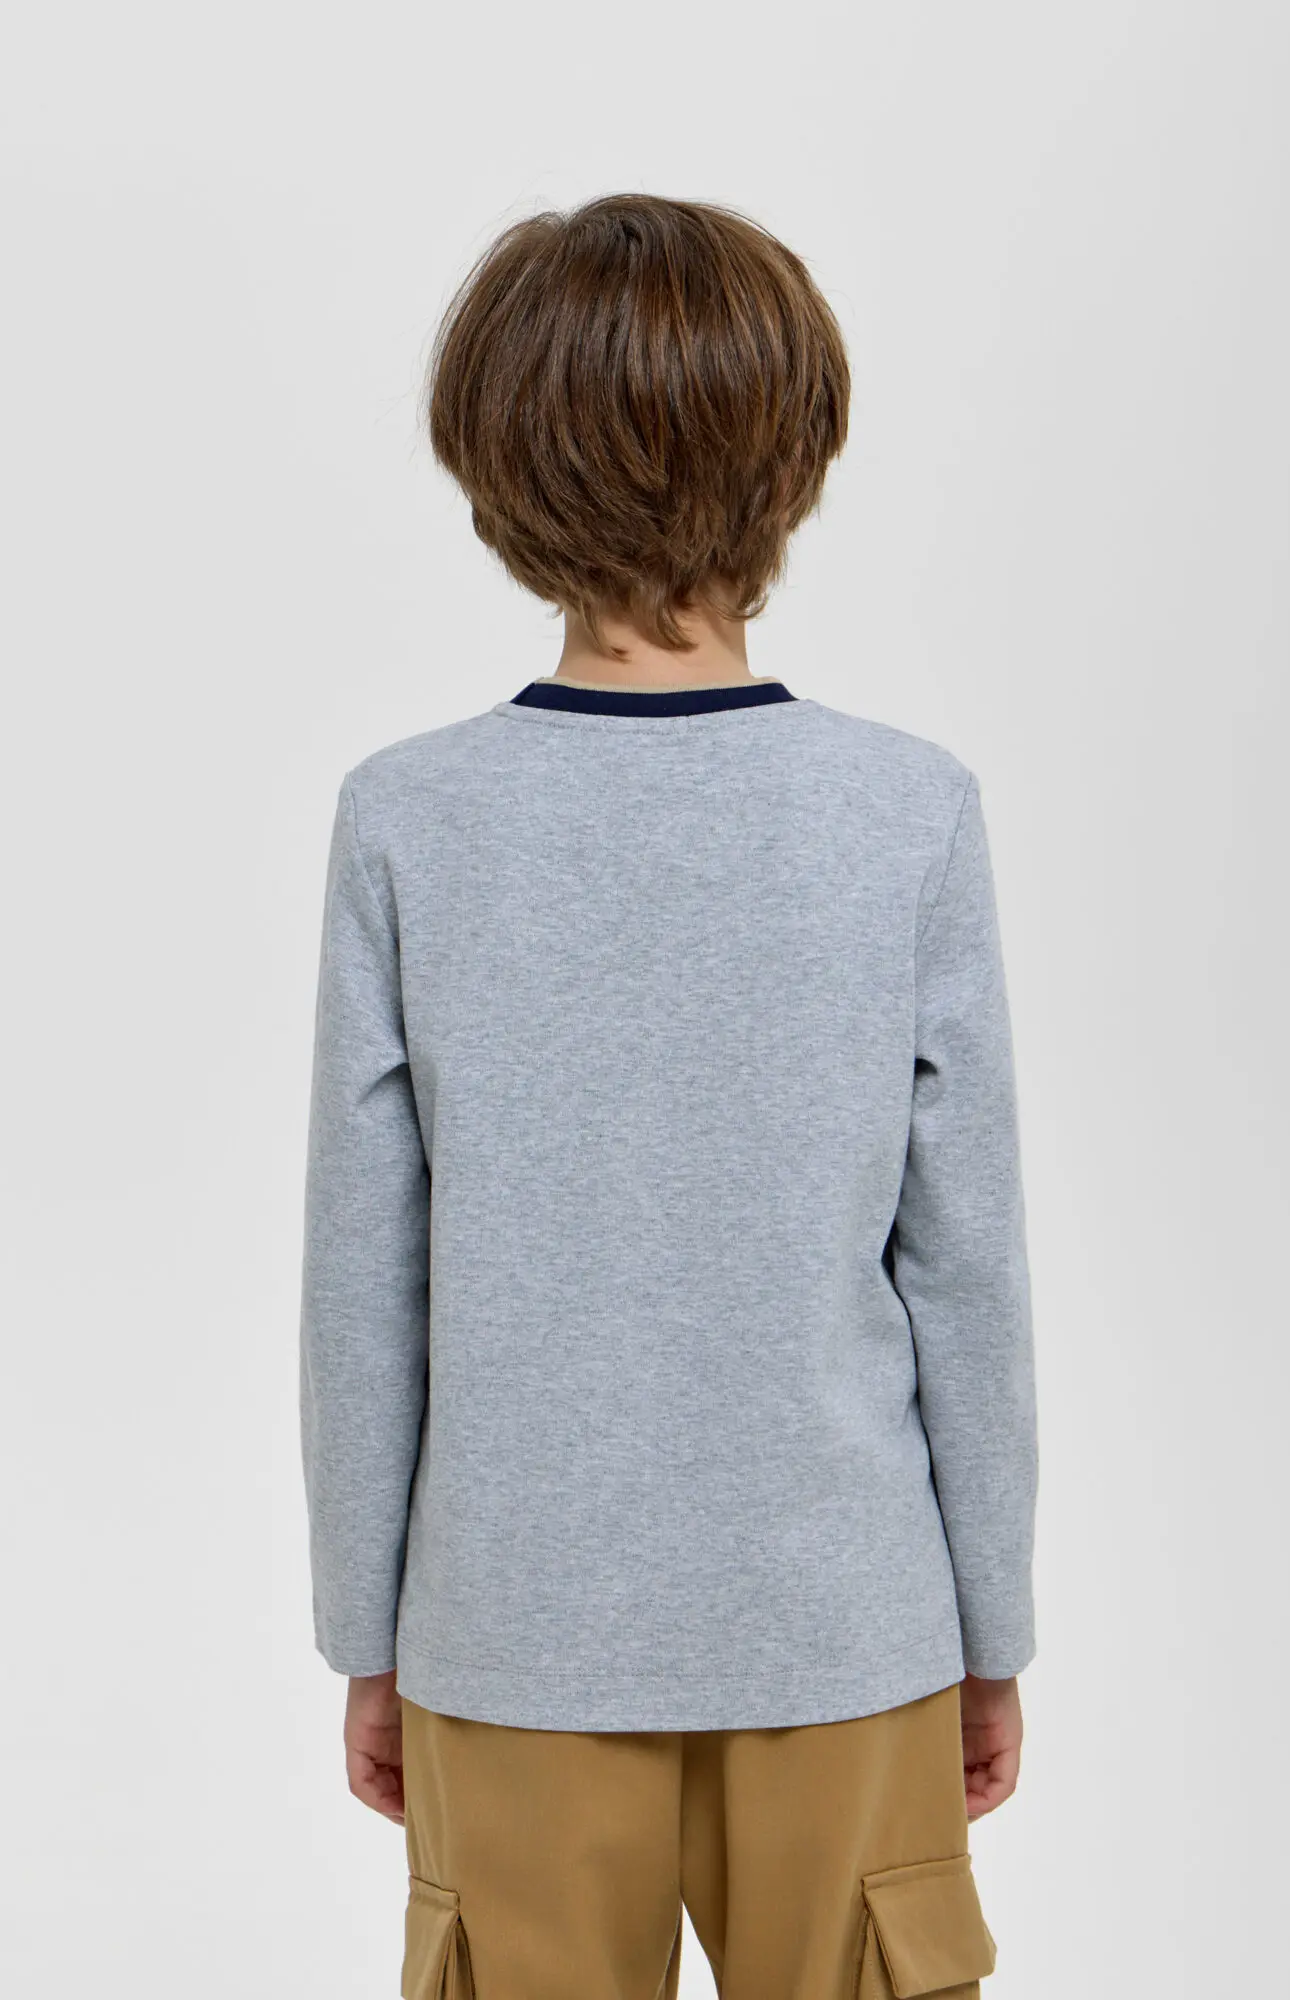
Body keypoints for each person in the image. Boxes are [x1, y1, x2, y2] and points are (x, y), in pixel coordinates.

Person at [298, 192, 1038, 2000]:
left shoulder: (409, 819)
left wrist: (367, 1631)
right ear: (796, 458)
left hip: (509, 1626)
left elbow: (363, 1277)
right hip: (846, 1624)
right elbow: (964, 1270)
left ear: (496, 465)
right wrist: (990, 1626)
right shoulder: (905, 810)